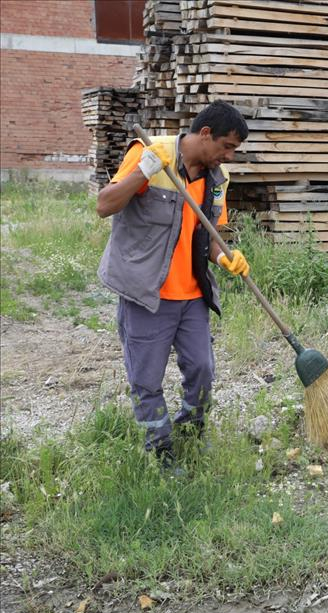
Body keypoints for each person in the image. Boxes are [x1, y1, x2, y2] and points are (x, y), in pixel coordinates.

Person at [96, 100, 251, 464]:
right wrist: (143, 173)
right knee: (146, 379)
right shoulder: (151, 152)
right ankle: (159, 449)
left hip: (193, 294)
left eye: (234, 150)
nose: (227, 156)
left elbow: (212, 234)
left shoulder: (217, 180)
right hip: (148, 292)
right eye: (226, 147)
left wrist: (224, 256)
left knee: (202, 369)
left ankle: (189, 430)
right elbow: (104, 205)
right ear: (206, 133)